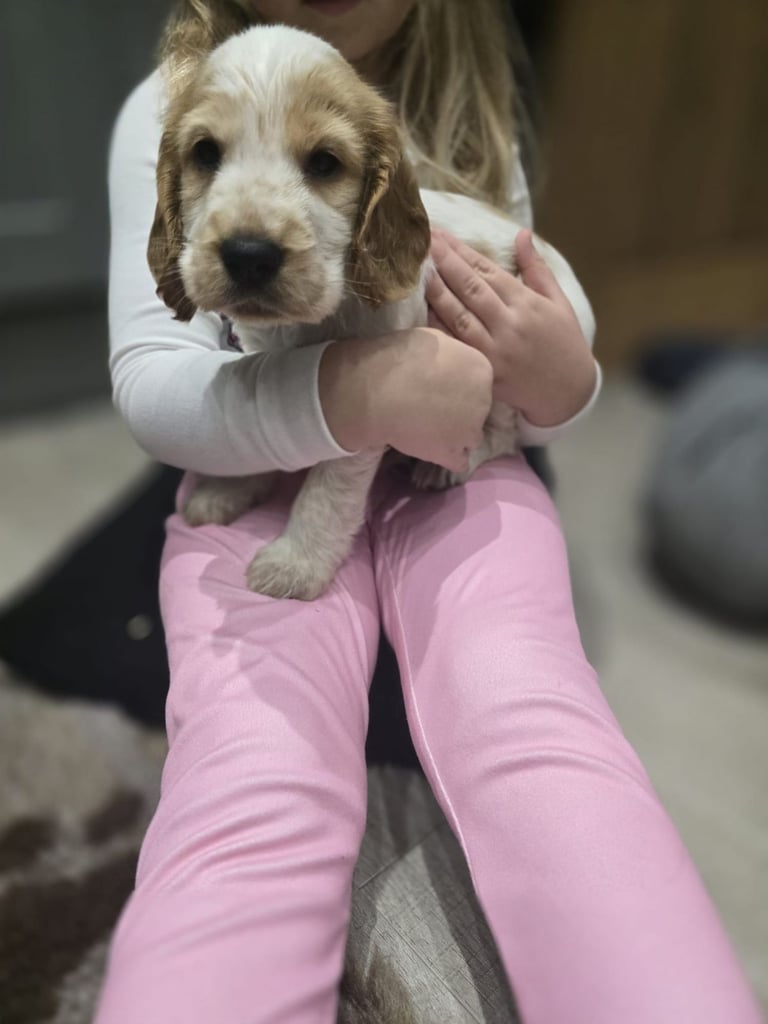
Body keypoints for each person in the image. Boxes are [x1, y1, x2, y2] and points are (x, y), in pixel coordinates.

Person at [95, 1, 762, 1022]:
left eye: (323, 163)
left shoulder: (472, 106)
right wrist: (357, 398)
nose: (255, 210)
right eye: (211, 156)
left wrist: (564, 380)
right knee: (252, 746)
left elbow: (527, 335)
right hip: (257, 445)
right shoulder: (164, 105)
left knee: (526, 713)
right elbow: (159, 379)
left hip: (463, 443)